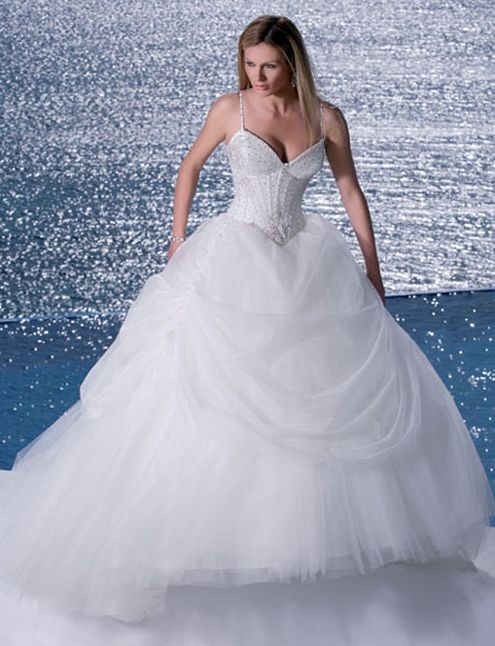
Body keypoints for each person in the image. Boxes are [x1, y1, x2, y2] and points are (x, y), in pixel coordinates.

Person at [0, 14, 494, 644]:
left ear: (293, 63)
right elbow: (190, 167)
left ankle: (315, 540)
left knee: (317, 397)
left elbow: (350, 190)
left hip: (308, 263)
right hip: (234, 258)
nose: (257, 76)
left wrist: (374, 270)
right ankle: (189, 540)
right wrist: (177, 237)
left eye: (269, 66)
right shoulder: (229, 110)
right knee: (200, 389)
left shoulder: (327, 119)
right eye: (250, 64)